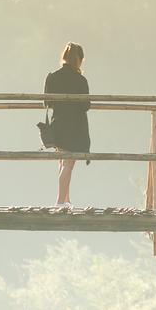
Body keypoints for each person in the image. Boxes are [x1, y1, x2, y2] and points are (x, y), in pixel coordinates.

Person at [44, 42, 91, 208]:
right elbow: (85, 105)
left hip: (58, 125)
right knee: (69, 164)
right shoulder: (80, 80)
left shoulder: (53, 77)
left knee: (63, 163)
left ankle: (65, 199)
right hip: (74, 127)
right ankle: (60, 201)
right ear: (78, 59)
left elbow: (47, 102)